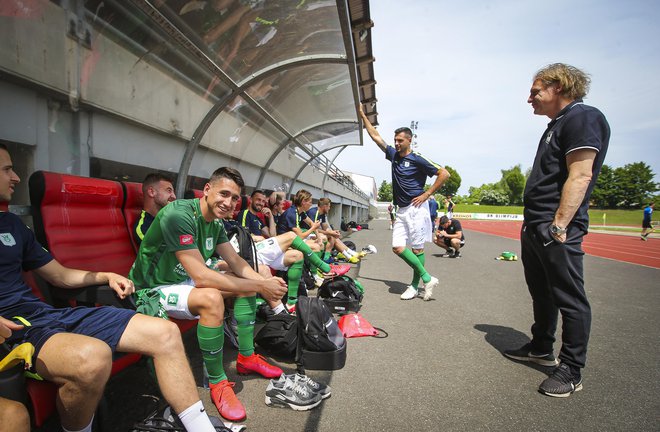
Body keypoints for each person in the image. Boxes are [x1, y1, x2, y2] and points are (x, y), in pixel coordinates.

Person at [0, 143, 220, 432]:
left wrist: (105, 275)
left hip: (45, 315)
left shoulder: (13, 225)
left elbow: (60, 276)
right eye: (6, 170)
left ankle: (201, 428)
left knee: (163, 332)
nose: (16, 177)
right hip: (14, 329)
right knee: (94, 356)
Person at [129, 167, 289, 422]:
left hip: (182, 281)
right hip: (151, 288)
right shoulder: (178, 214)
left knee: (247, 282)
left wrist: (263, 281)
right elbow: (201, 276)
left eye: (235, 198)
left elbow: (236, 261)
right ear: (207, 190)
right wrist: (261, 287)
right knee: (213, 297)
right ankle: (218, 383)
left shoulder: (215, 223)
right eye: (224, 194)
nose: (229, 203)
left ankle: (246, 358)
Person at [503, 63, 610, 398]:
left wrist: (560, 224)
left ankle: (572, 369)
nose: (529, 98)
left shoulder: (583, 117)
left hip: (555, 225)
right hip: (536, 222)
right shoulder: (556, 124)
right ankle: (540, 345)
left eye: (536, 91)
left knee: (569, 296)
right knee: (541, 290)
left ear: (559, 87)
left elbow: (580, 174)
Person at [359, 106, 449, 301]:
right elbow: (376, 137)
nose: (397, 144)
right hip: (401, 210)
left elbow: (444, 173)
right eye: (395, 141)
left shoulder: (418, 159)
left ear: (409, 140)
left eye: (400, 140)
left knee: (417, 249)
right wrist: (364, 117)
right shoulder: (393, 156)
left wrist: (427, 194)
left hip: (417, 208)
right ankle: (427, 277)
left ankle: (415, 286)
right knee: (398, 247)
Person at [307, 198, 361, 264]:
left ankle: (349, 254)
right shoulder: (313, 212)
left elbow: (325, 227)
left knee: (332, 236)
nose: (329, 208)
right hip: (307, 233)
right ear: (325, 206)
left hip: (313, 232)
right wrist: (329, 233)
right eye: (329, 206)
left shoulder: (322, 213)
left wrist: (333, 232)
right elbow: (314, 229)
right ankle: (349, 255)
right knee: (331, 236)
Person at [133, 173, 177, 246]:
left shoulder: (171, 220)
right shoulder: (143, 228)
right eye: (169, 190)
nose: (174, 196)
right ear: (151, 192)